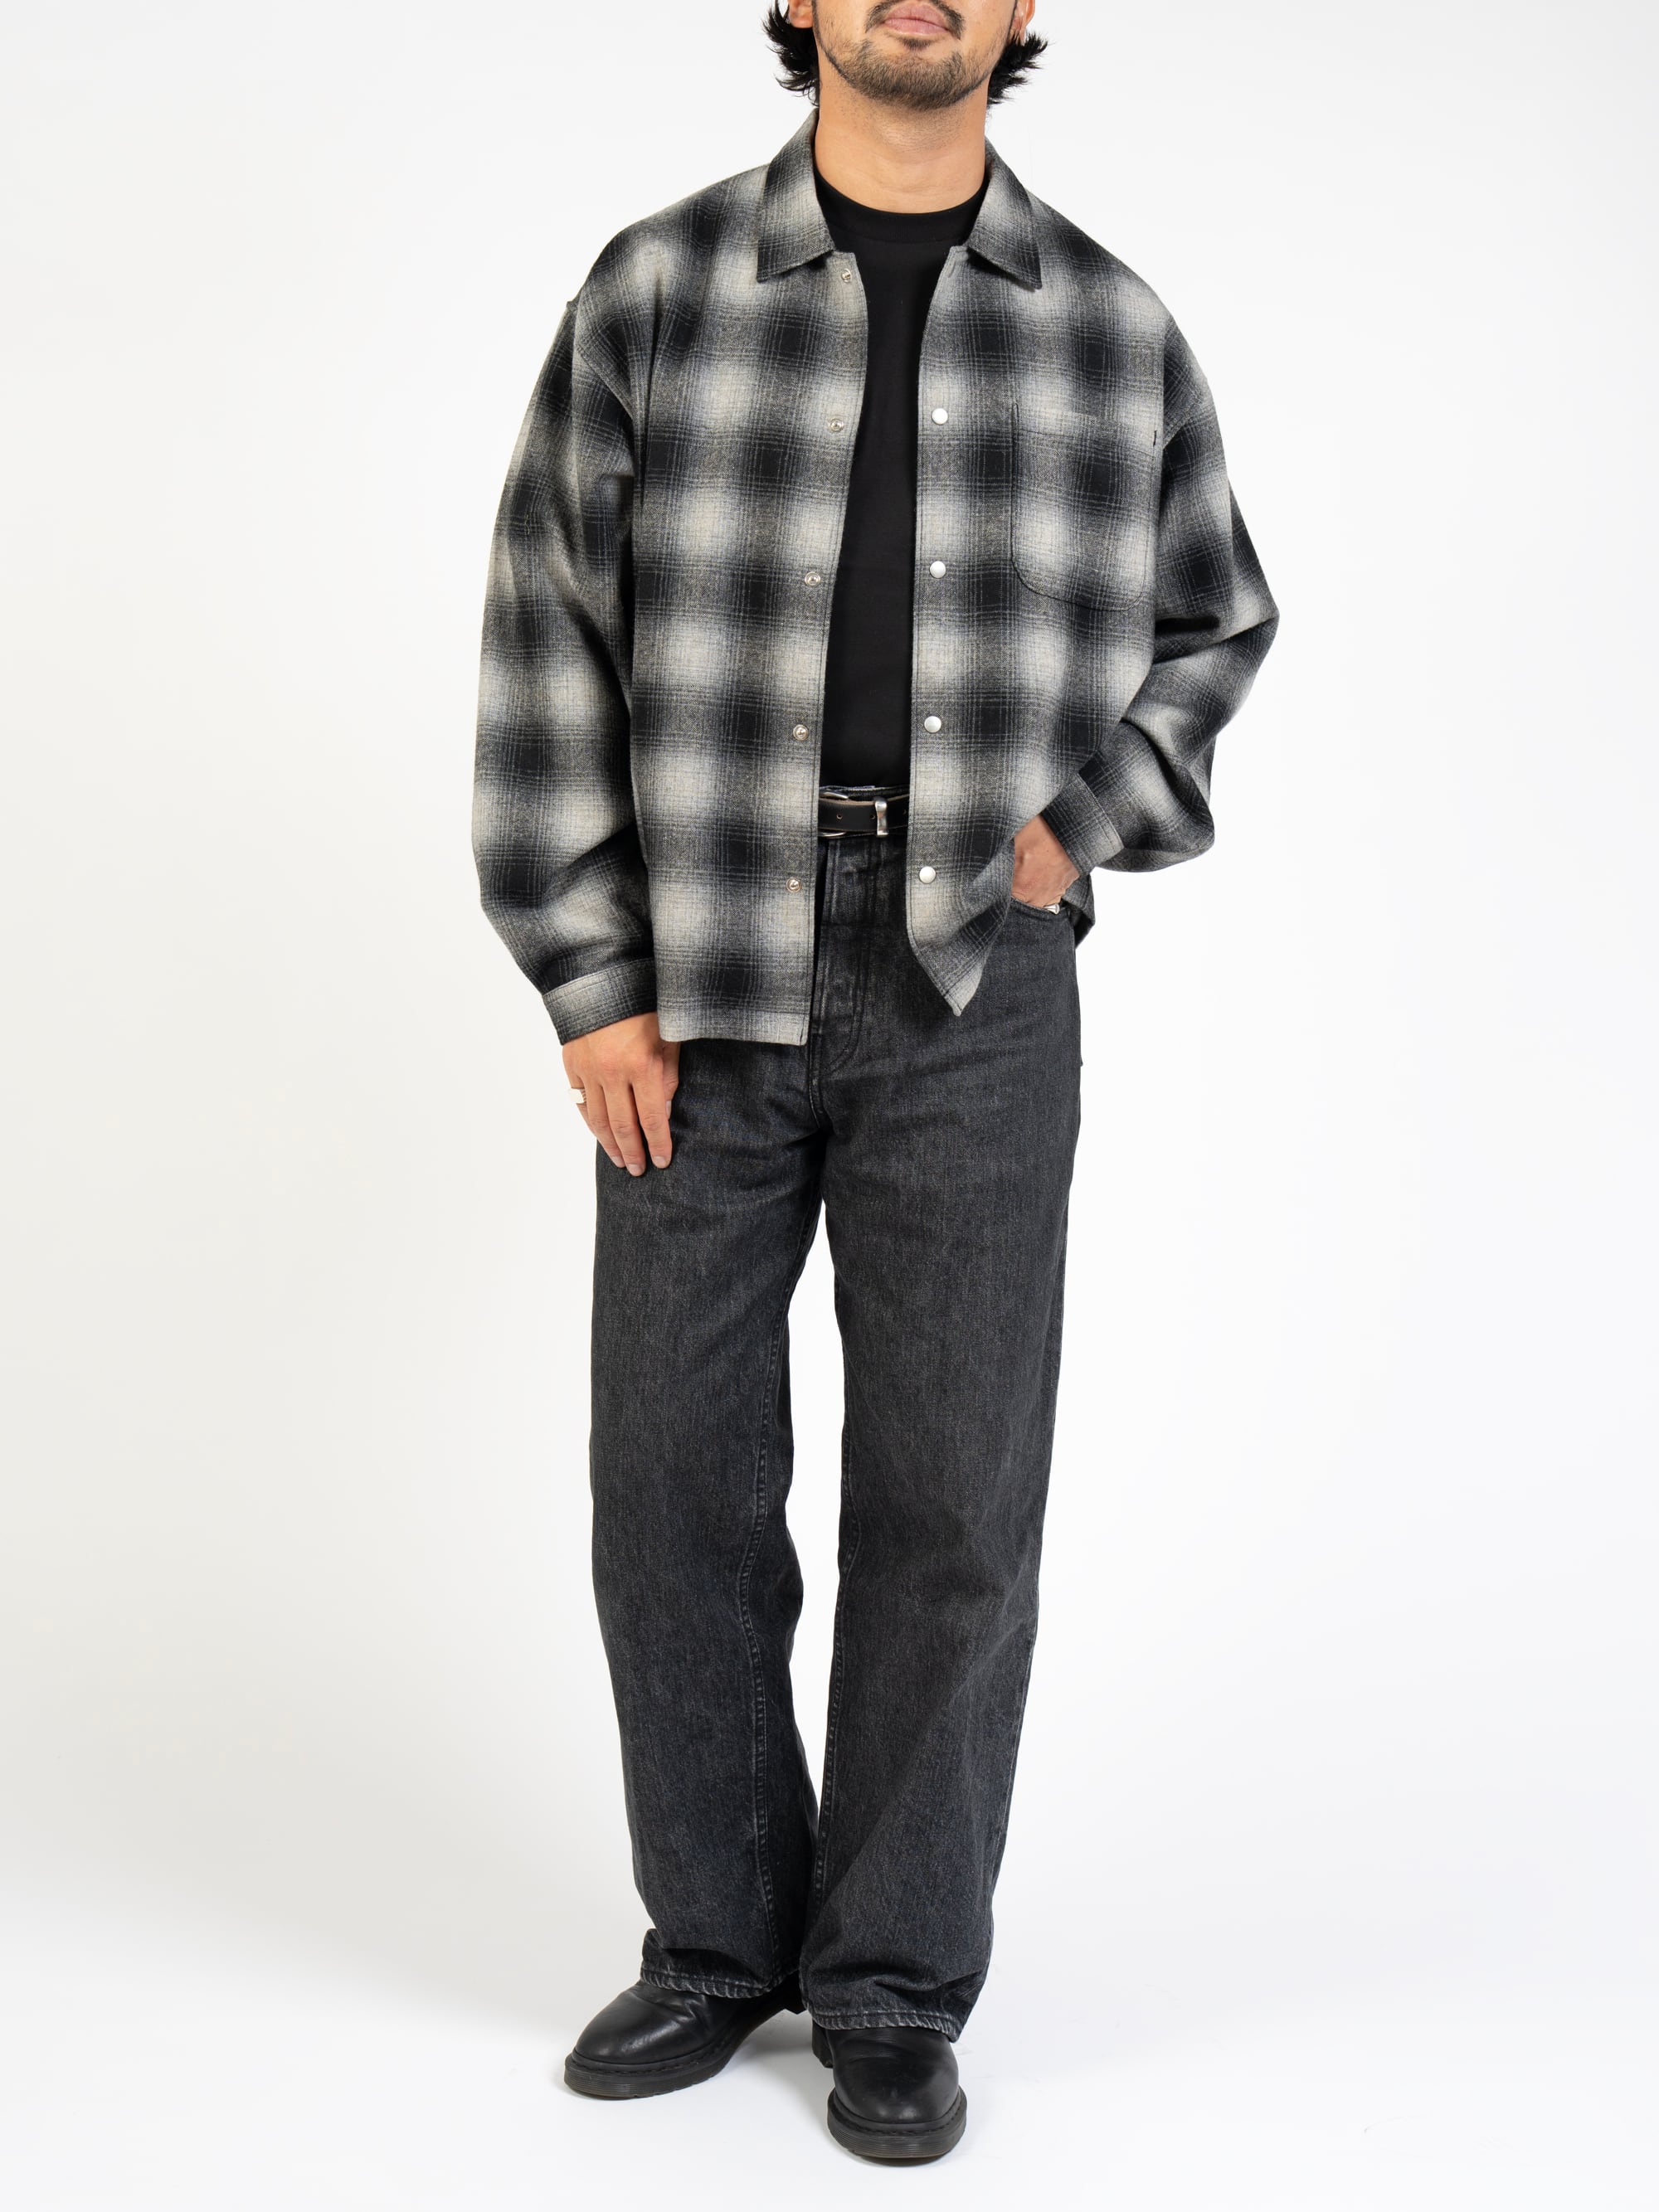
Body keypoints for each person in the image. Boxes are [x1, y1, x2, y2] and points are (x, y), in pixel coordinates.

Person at [473, 0, 1277, 2164]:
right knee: (674, 1482)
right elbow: (546, 619)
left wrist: (1076, 829)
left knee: (954, 1506)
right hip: (698, 964)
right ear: (802, 6)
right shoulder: (657, 288)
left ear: (1016, 17)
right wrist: (591, 978)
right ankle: (717, 1936)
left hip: (977, 982)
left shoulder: (1110, 324)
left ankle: (897, 1983)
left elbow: (1217, 621)